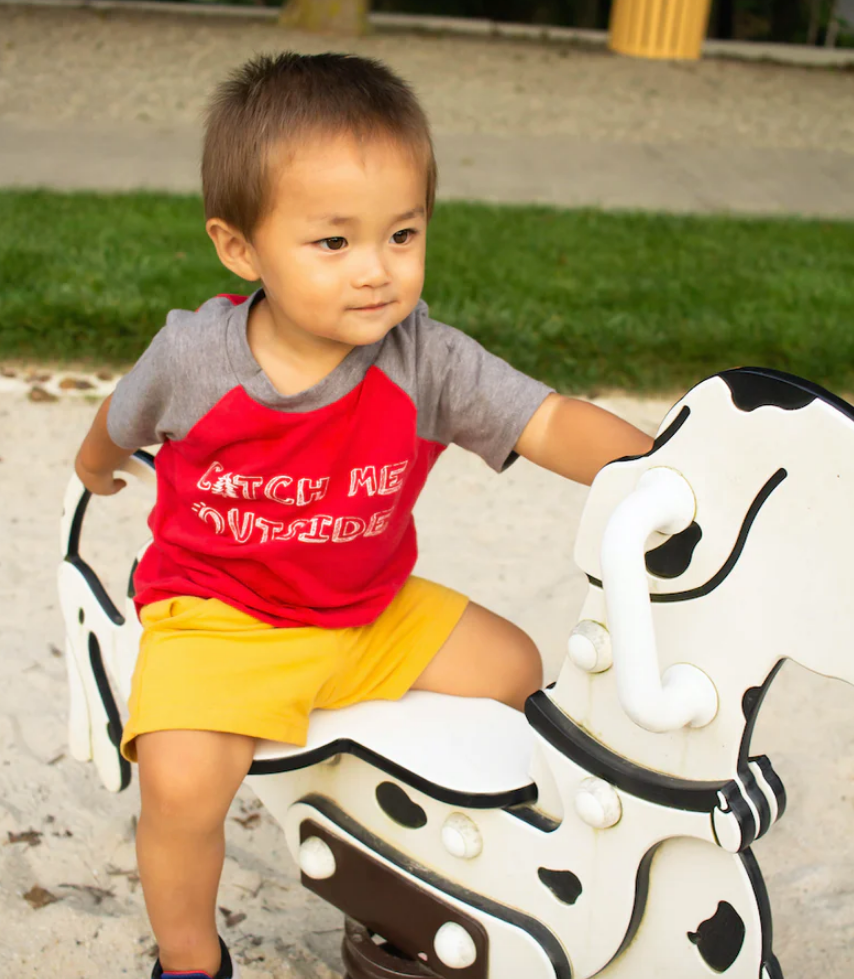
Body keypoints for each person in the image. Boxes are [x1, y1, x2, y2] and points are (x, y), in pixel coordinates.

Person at [74, 52, 650, 979]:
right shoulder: (195, 358)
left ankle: (418, 838)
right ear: (240, 247)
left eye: (403, 235)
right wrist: (93, 463)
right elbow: (122, 417)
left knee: (516, 667)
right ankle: (188, 960)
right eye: (333, 243)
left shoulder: (428, 360)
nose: (377, 272)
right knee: (180, 787)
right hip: (221, 615)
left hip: (367, 608)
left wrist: (656, 473)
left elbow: (548, 422)